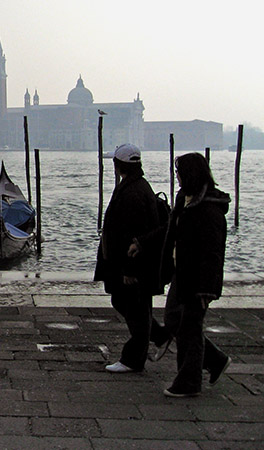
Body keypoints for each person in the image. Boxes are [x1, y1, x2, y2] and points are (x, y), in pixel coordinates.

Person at [155, 152, 231, 397]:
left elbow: (213, 253)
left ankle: (189, 382)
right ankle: (215, 360)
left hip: (198, 279)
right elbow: (171, 233)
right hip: (181, 272)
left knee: (190, 326)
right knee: (175, 320)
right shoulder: (183, 199)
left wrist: (206, 290)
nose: (176, 177)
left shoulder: (209, 208)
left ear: (190, 174)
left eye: (179, 172)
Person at [94, 143, 170, 373]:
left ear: (118, 165)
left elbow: (134, 236)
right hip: (124, 262)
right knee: (128, 304)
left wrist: (130, 270)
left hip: (131, 264)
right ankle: (160, 335)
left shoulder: (134, 192)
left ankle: (133, 359)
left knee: (135, 308)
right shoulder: (134, 186)